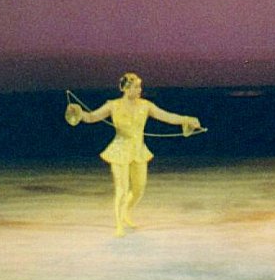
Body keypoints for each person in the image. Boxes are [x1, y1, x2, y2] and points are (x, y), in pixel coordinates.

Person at [65, 72, 201, 237]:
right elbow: (91, 117)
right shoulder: (113, 105)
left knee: (138, 189)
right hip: (119, 150)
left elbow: (167, 117)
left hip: (138, 151)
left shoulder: (146, 105)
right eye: (136, 87)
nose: (139, 90)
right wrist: (78, 113)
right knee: (122, 189)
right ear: (126, 88)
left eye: (139, 86)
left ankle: (126, 212)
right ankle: (119, 224)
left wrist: (187, 119)